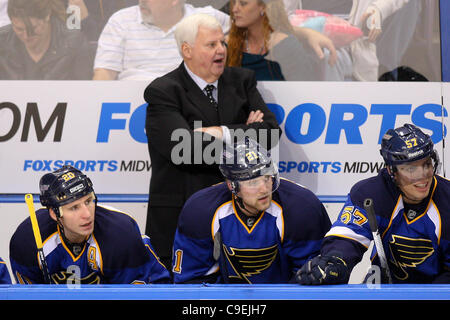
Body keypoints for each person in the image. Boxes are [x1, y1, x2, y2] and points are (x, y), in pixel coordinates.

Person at [144, 13, 281, 269]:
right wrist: (245, 133)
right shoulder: (164, 91)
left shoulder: (242, 81)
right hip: (181, 221)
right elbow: (184, 150)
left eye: (223, 42)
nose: (221, 50)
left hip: (240, 220)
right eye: (211, 45)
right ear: (187, 50)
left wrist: (221, 132)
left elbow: (270, 134)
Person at [297, 124, 450, 284]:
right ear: (392, 171)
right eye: (411, 169)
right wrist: (335, 262)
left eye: (426, 164)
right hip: (383, 284)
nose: (423, 176)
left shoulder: (446, 198)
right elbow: (347, 238)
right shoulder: (370, 193)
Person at [172, 138, 331, 283]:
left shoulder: (301, 207)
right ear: (231, 185)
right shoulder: (200, 209)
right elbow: (191, 280)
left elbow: (312, 280)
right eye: (253, 182)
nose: (264, 189)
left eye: (267, 177)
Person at [10, 165, 170, 284]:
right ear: (54, 213)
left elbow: (136, 296)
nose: (87, 215)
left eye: (88, 201)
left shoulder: (120, 235)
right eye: (74, 207)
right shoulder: (27, 241)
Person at [93, 0, 230, 81]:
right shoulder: (121, 20)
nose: (142, 1)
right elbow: (104, 73)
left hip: (188, 102)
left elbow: (246, 33)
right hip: (130, 104)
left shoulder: (208, 17)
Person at [227, 0, 329, 81]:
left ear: (263, 7)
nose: (235, 9)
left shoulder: (287, 46)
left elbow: (305, 95)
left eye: (243, 3)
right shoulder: (228, 45)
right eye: (233, 2)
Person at [0, 0, 95, 80]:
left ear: (47, 16)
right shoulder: (2, 43)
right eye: (19, 29)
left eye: (33, 28)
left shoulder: (74, 44)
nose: (26, 36)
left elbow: (83, 93)